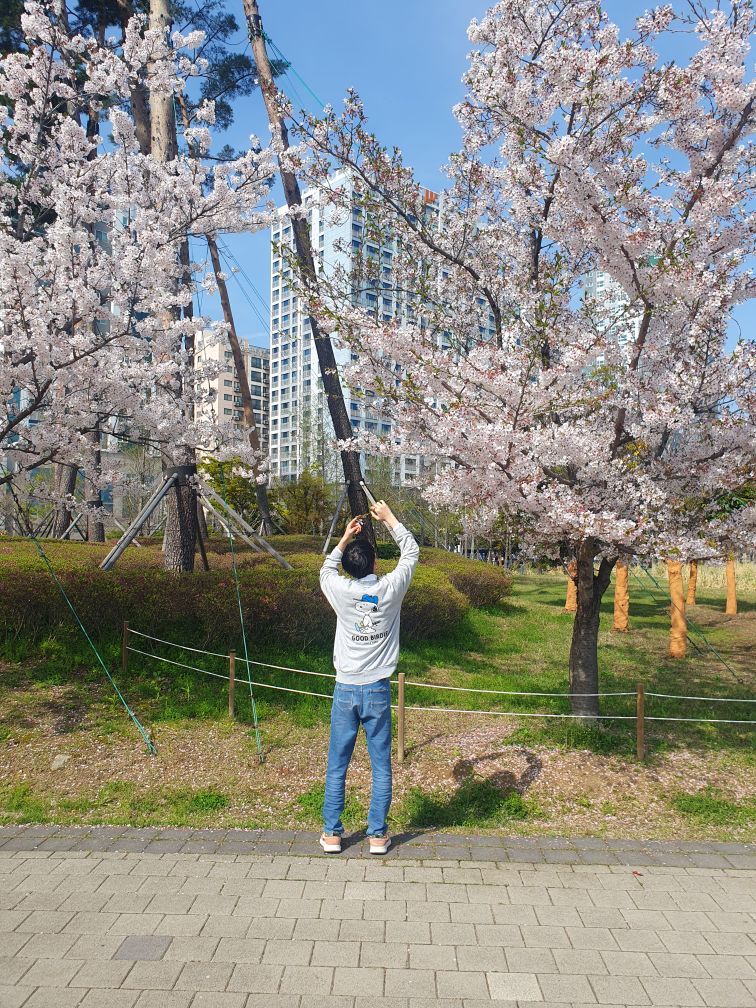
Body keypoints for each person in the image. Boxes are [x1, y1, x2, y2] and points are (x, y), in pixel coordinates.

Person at [318, 499, 419, 854]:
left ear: (349, 566)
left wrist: (344, 539)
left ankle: (332, 834)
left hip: (345, 688)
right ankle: (377, 835)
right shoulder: (390, 589)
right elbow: (411, 552)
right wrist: (389, 517)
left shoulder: (341, 591)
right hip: (377, 688)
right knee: (380, 766)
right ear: (375, 563)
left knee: (337, 765)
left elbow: (326, 570)